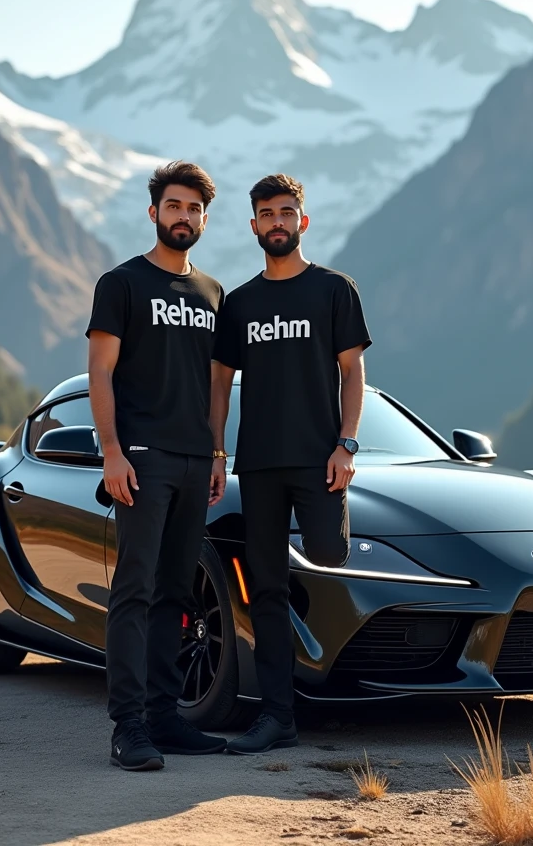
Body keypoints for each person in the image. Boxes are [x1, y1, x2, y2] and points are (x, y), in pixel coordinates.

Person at [211, 173, 371, 755]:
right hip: (258, 466)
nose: (276, 223)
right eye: (265, 214)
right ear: (253, 225)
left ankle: (317, 647)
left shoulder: (334, 290)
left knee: (328, 552)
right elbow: (220, 382)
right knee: (266, 589)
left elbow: (352, 371)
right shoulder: (241, 302)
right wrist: (218, 450)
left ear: (303, 221)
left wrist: (346, 445)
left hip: (318, 458)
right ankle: (279, 717)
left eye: (286, 213)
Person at [86, 160, 228, 772]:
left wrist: (219, 452)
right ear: (154, 212)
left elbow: (218, 385)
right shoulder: (121, 284)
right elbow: (100, 373)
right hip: (141, 460)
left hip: (198, 461)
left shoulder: (214, 294)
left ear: (204, 218)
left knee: (176, 594)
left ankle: (167, 718)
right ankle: (129, 728)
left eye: (195, 209)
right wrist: (112, 452)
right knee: (135, 591)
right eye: (174, 206)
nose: (184, 217)